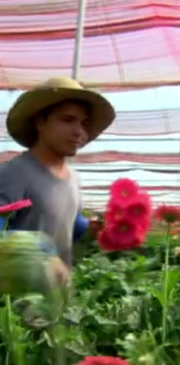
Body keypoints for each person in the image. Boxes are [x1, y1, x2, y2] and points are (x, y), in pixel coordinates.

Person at [0, 77, 116, 286]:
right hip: (14, 303)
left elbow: (65, 220)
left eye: (83, 123)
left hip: (56, 299)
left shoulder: (73, 178)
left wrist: (89, 228)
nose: (78, 131)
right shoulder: (14, 173)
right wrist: (42, 252)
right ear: (40, 121)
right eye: (67, 120)